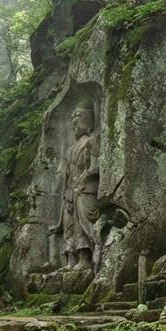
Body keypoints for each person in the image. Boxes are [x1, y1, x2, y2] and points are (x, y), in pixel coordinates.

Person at [53, 102, 99, 270]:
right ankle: (70, 259)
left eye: (78, 116)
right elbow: (66, 173)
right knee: (69, 224)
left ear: (88, 119)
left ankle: (85, 258)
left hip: (85, 189)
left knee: (82, 223)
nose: (74, 121)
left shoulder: (92, 141)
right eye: (72, 117)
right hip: (71, 191)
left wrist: (84, 177)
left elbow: (97, 166)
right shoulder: (71, 148)